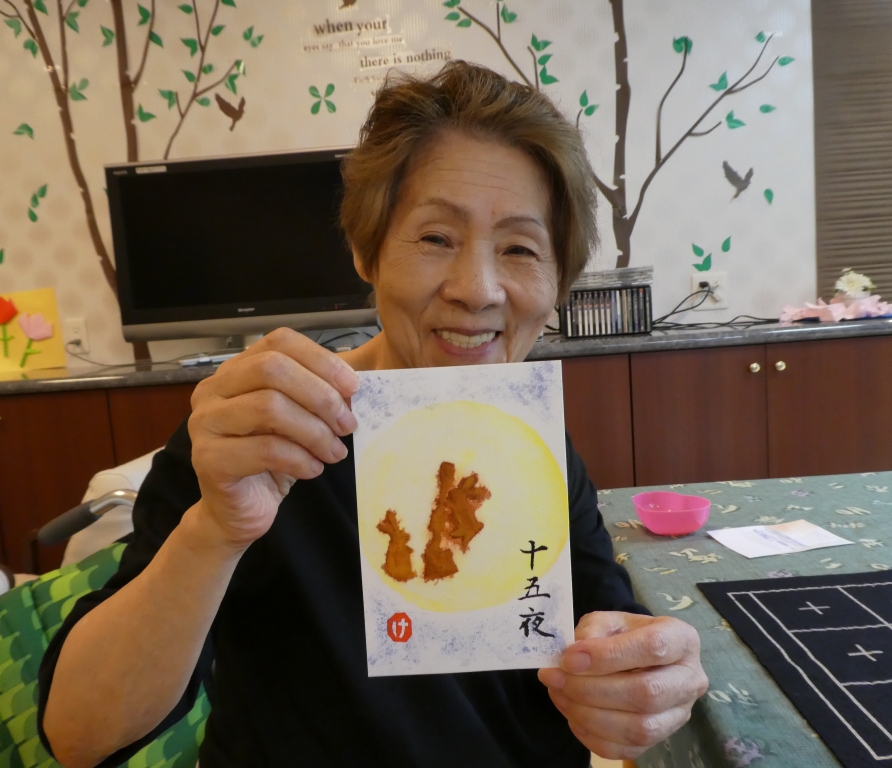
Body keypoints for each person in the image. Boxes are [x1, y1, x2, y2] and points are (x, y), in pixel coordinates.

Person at [38, 61, 708, 767]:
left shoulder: (529, 441)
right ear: (367, 250)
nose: (477, 289)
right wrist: (215, 530)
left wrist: (645, 677)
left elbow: (610, 629)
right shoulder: (264, 436)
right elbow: (80, 734)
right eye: (436, 238)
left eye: (520, 248)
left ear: (557, 281)